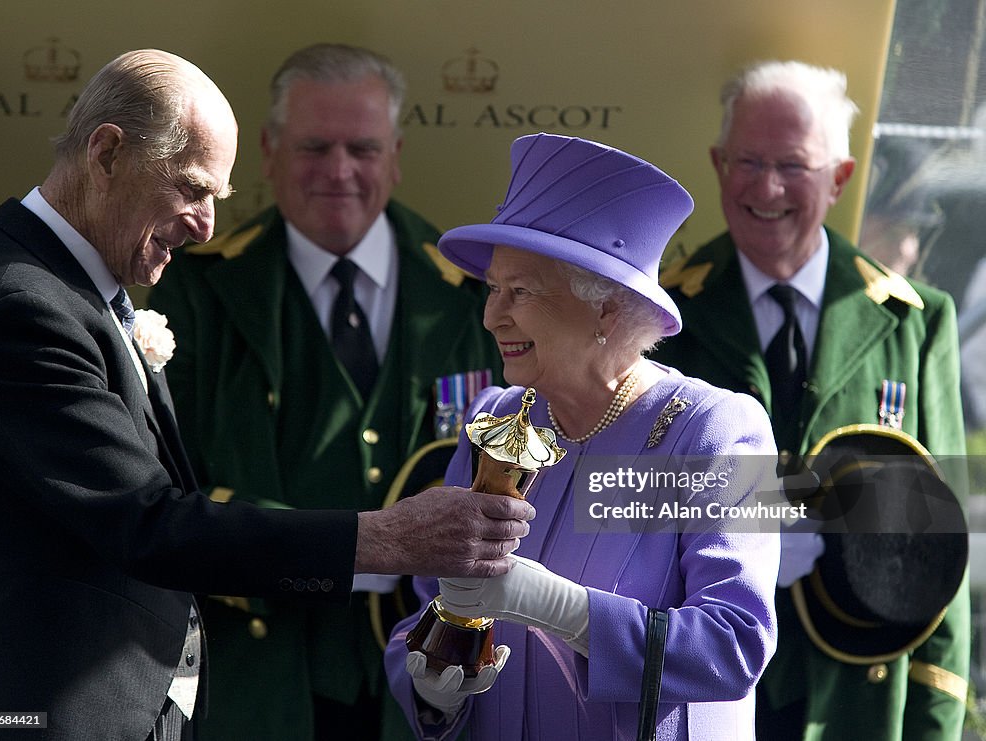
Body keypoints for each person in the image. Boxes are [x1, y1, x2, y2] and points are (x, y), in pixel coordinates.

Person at [0, 49, 533, 741]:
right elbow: (148, 523)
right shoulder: (25, 307)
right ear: (107, 153)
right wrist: (387, 537)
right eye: (191, 189)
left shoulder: (75, 288)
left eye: (215, 199)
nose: (206, 223)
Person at [148, 43, 501, 741]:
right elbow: (167, 504)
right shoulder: (195, 292)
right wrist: (361, 546)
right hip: (259, 688)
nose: (340, 172)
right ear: (270, 150)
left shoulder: (473, 293)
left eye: (362, 149)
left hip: (429, 692)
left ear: (395, 154)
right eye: (315, 147)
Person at [384, 132, 781, 740]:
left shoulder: (717, 430)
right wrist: (433, 682)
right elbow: (430, 606)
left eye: (522, 291)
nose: (492, 316)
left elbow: (734, 645)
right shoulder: (495, 421)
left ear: (607, 311)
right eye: (493, 288)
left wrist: (561, 609)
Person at [651, 60, 969, 740]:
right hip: (699, 690)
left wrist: (935, 721)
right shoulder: (661, 317)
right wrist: (753, 524)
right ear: (716, 164)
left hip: (857, 696)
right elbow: (618, 495)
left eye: (793, 166)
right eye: (748, 162)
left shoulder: (916, 323)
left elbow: (937, 546)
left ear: (840, 178)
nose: (766, 188)